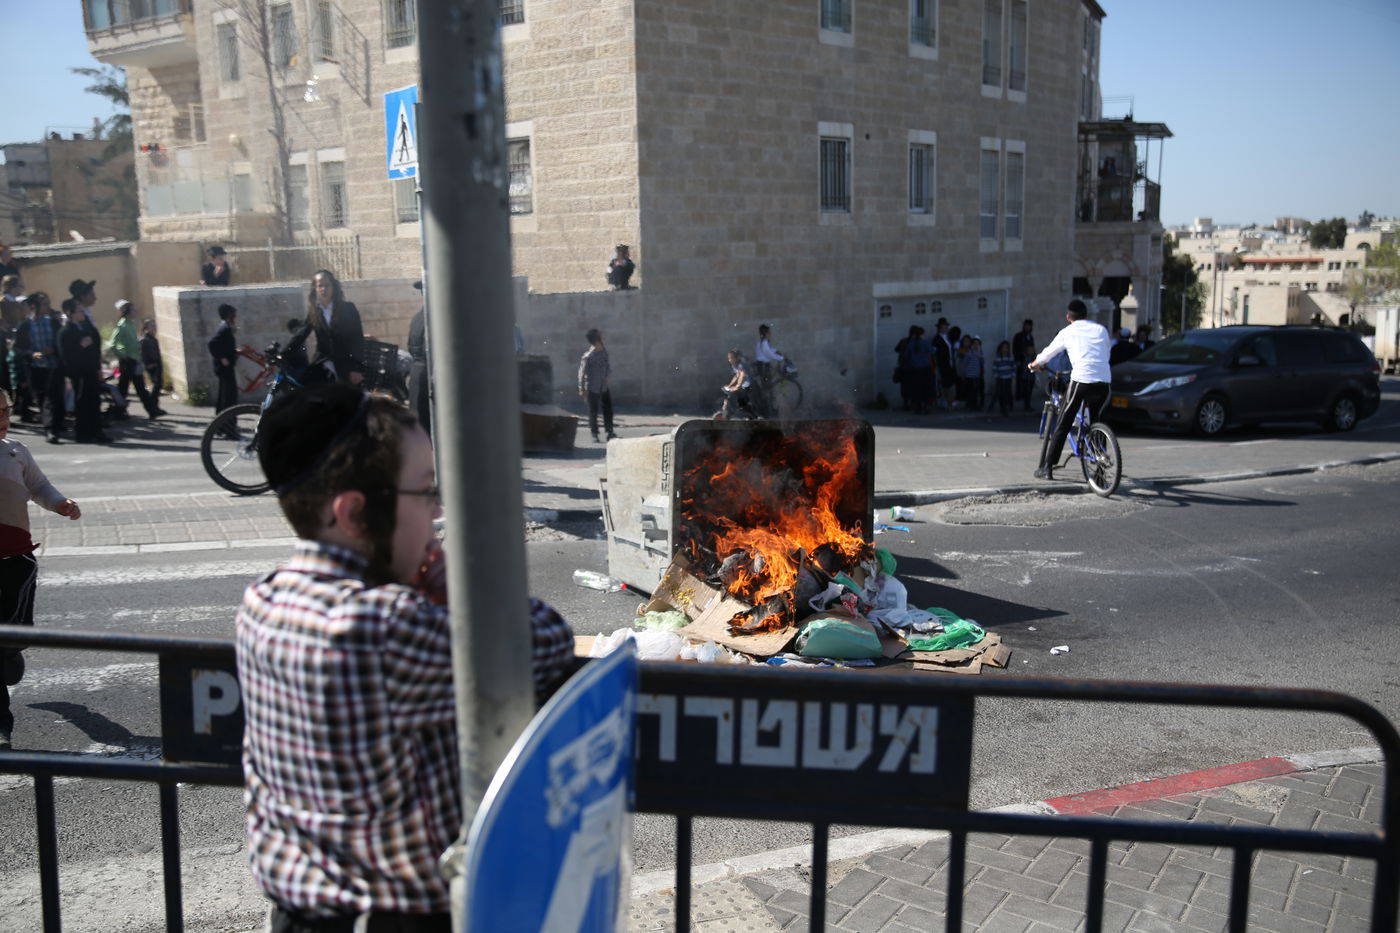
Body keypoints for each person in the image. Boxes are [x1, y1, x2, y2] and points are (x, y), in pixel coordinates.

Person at [235, 382, 574, 931]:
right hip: (396, 919)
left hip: (301, 914)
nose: (437, 510)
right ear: (354, 513)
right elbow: (542, 638)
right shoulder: (382, 625)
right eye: (424, 492)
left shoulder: (264, 598)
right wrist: (443, 570)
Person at [0, 390, 82, 750]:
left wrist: (60, 503)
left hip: (17, 560)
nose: (1, 417)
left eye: (3, 410)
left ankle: (13, 648)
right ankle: (2, 727)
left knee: (17, 632)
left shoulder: (16, 451)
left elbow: (39, 487)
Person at [1028, 299, 1112, 480]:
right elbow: (1106, 352)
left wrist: (1034, 364)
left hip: (1081, 380)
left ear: (1068, 317)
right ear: (1087, 315)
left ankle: (1048, 467)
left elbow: (1049, 353)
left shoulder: (1067, 332)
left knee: (1063, 424)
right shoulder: (1101, 330)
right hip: (1104, 381)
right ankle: (1100, 472)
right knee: (1098, 422)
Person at [293, 270, 365, 385]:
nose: (324, 289)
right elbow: (301, 335)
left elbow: (357, 340)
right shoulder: (315, 312)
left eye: (327, 285)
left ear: (333, 287)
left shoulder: (348, 309)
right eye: (320, 286)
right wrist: (283, 354)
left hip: (345, 366)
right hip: (323, 363)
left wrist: (356, 369)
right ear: (315, 289)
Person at [13, 293, 65, 443]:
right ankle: (50, 429)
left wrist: (54, 349)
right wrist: (31, 354)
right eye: (44, 304)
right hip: (36, 368)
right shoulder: (25, 325)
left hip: (54, 366)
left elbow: (62, 342)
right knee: (44, 399)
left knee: (56, 398)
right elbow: (18, 348)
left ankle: (56, 426)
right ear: (33, 306)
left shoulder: (53, 323)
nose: (48, 307)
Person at [59, 293, 108, 444]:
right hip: (78, 374)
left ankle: (97, 431)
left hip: (91, 371)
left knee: (94, 401)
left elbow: (95, 349)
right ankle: (83, 433)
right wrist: (81, 346)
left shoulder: (87, 328)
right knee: (82, 403)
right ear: (70, 313)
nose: (83, 314)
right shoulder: (66, 332)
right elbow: (66, 355)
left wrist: (98, 368)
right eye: (79, 311)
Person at [108, 300, 164, 419]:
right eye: (133, 310)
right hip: (128, 362)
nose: (135, 312)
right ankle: (119, 411)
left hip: (134, 361)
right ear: (127, 312)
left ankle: (151, 410)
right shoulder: (122, 326)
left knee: (139, 388)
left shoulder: (130, 324)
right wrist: (123, 355)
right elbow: (112, 344)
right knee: (124, 388)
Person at [578, 328, 615, 443]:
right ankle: (594, 433)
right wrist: (582, 388)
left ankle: (609, 431)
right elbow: (581, 373)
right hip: (592, 388)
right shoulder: (588, 356)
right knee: (593, 412)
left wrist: (607, 375)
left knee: (608, 410)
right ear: (596, 341)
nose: (604, 339)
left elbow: (608, 366)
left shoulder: (604, 352)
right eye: (601, 338)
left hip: (603, 387)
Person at [406, 283, 430, 438]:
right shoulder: (433, 319)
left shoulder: (417, 317)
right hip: (426, 375)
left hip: (416, 373)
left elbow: (410, 346)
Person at [208, 304, 239, 414]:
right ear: (229, 316)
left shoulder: (225, 327)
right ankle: (227, 423)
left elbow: (224, 345)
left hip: (226, 368)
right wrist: (222, 358)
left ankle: (221, 423)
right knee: (229, 396)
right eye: (233, 315)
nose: (235, 318)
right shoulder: (224, 328)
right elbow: (212, 344)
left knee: (224, 395)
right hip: (225, 368)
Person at [897, 326, 933, 414]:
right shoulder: (925, 342)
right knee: (926, 387)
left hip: (914, 368)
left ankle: (918, 406)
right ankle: (927, 404)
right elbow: (932, 351)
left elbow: (906, 356)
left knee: (916, 388)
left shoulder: (910, 344)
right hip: (925, 368)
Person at [753, 324, 786, 415]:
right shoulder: (764, 343)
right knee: (767, 388)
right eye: (769, 332)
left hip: (762, 366)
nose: (770, 334)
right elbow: (769, 354)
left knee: (768, 387)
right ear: (766, 333)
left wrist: (776, 351)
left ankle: (769, 408)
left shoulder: (761, 342)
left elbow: (770, 350)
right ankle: (768, 410)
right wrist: (781, 358)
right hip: (763, 367)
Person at [717, 348, 757, 420]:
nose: (730, 360)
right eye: (729, 358)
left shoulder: (741, 364)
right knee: (730, 395)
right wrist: (730, 385)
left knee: (737, 396)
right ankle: (726, 411)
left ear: (737, 358)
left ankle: (732, 411)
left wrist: (737, 386)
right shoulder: (734, 365)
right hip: (743, 384)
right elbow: (736, 376)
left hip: (748, 385)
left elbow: (742, 375)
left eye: (731, 358)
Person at [1011, 318, 1036, 412]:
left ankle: (1027, 404)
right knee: (1023, 384)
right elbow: (1015, 349)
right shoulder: (1019, 336)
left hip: (1030, 363)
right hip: (1022, 363)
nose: (1028, 327)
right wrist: (1018, 360)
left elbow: (1033, 349)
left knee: (1030, 384)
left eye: (1029, 325)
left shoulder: (1030, 337)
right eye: (1026, 325)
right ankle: (1023, 402)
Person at [932, 318, 956, 409]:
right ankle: (945, 401)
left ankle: (951, 400)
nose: (944, 329)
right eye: (942, 327)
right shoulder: (937, 339)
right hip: (943, 364)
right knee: (944, 384)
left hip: (950, 363)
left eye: (945, 327)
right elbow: (935, 352)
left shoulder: (949, 337)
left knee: (951, 383)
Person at [989, 340, 1016, 416]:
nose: (1005, 349)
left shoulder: (1010, 357)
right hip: (1000, 378)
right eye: (1003, 348)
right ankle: (995, 407)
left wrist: (1012, 374)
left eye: (1006, 348)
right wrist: (996, 375)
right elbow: (995, 368)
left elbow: (1013, 366)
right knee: (998, 393)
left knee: (1007, 393)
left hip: (1008, 377)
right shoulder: (998, 357)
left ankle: (1008, 407)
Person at [140, 318, 164, 399]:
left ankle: (155, 405)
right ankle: (152, 403)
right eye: (151, 326)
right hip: (151, 364)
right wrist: (148, 364)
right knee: (156, 384)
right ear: (146, 328)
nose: (154, 327)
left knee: (158, 384)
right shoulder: (145, 340)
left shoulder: (154, 339)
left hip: (157, 364)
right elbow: (143, 354)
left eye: (154, 325)